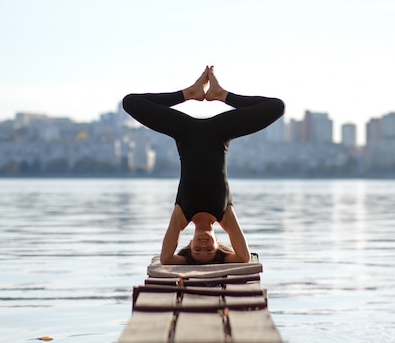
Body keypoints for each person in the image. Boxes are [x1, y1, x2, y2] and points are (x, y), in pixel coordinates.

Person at [122, 66, 284, 265]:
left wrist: (185, 97)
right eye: (210, 250)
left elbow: (165, 259)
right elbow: (243, 258)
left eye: (198, 250)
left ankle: (189, 93)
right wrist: (225, 98)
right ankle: (221, 94)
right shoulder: (225, 215)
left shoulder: (182, 216)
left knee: (130, 102)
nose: (204, 245)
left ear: (190, 244)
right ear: (218, 244)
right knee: (277, 107)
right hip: (219, 133)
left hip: (185, 132)